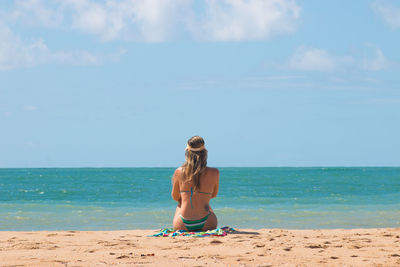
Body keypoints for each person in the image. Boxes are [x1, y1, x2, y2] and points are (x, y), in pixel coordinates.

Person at [171, 136, 219, 231]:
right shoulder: (215, 172)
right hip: (208, 223)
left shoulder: (179, 172)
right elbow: (213, 195)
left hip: (182, 224)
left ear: (187, 153)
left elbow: (175, 197)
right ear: (205, 152)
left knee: (181, 201)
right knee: (204, 201)